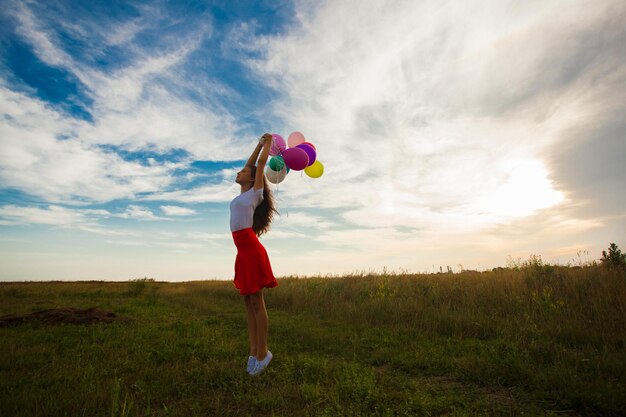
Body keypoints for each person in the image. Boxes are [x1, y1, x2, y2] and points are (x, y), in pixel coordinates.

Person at [230, 132, 279, 376]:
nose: (239, 172)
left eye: (242, 172)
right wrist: (257, 144)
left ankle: (264, 353)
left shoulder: (255, 193)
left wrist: (267, 145)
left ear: (251, 180)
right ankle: (253, 352)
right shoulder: (242, 195)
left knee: (257, 302)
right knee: (248, 302)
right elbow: (251, 163)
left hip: (251, 249)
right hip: (242, 250)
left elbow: (258, 165)